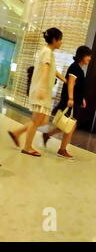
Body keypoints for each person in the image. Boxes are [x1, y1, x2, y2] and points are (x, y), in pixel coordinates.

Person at [8, 28, 66, 157]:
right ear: (55, 40)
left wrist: (65, 80)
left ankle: (17, 133)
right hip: (42, 91)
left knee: (43, 120)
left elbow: (53, 70)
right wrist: (41, 88)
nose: (61, 42)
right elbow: (45, 70)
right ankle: (27, 147)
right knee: (36, 120)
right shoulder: (47, 53)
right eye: (60, 40)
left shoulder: (48, 52)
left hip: (43, 90)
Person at [42, 46, 92, 159]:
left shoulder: (79, 69)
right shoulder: (75, 68)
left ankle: (48, 135)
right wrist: (70, 98)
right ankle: (62, 149)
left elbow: (78, 87)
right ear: (83, 56)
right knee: (70, 125)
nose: (90, 58)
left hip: (75, 100)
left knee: (67, 124)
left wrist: (82, 98)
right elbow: (70, 83)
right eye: (88, 56)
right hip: (71, 101)